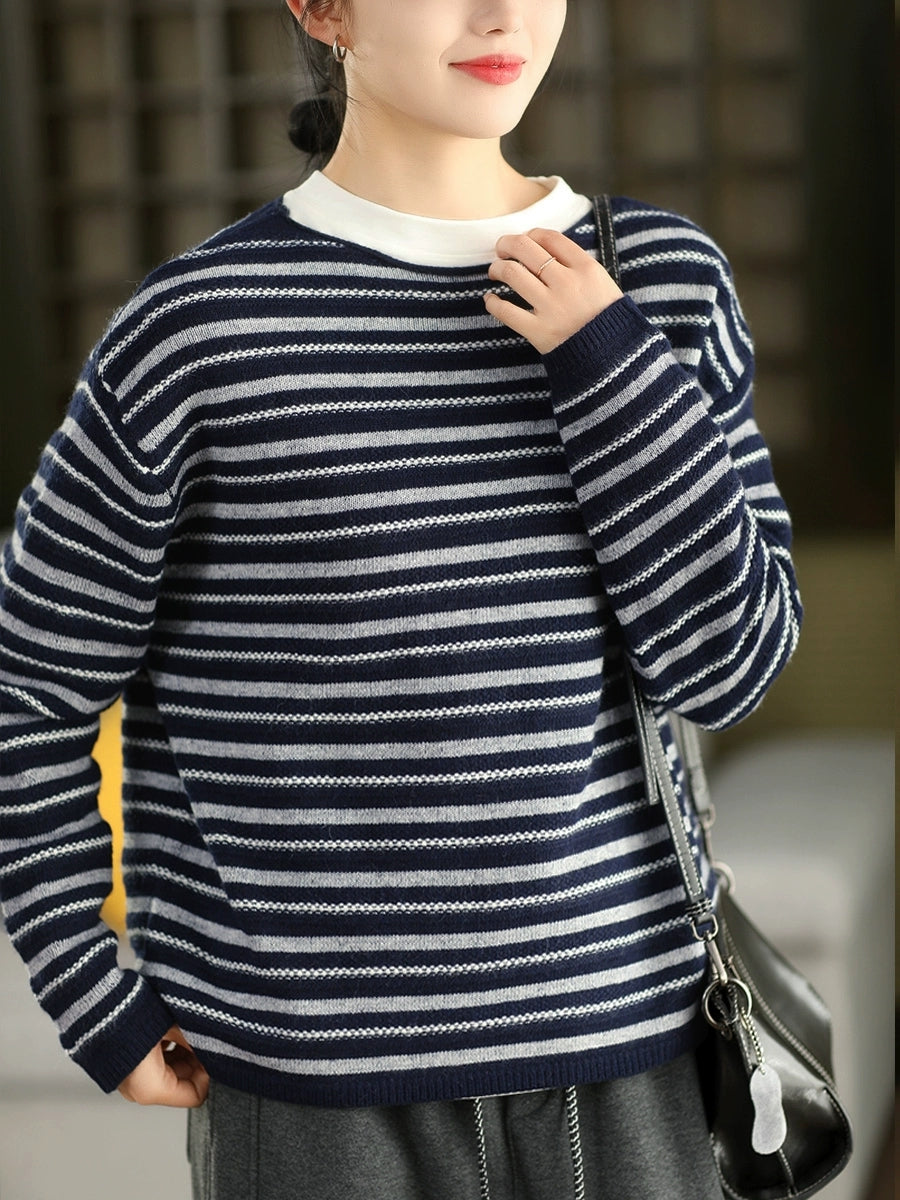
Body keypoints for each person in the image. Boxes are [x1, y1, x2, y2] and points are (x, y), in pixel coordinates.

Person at [0, 1, 802, 1197]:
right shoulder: (193, 334)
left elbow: (732, 669)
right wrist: (84, 978)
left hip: (632, 1069)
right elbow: (29, 686)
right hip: (311, 1099)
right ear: (323, 7)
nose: (501, 14)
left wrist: (611, 368)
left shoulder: (661, 283)